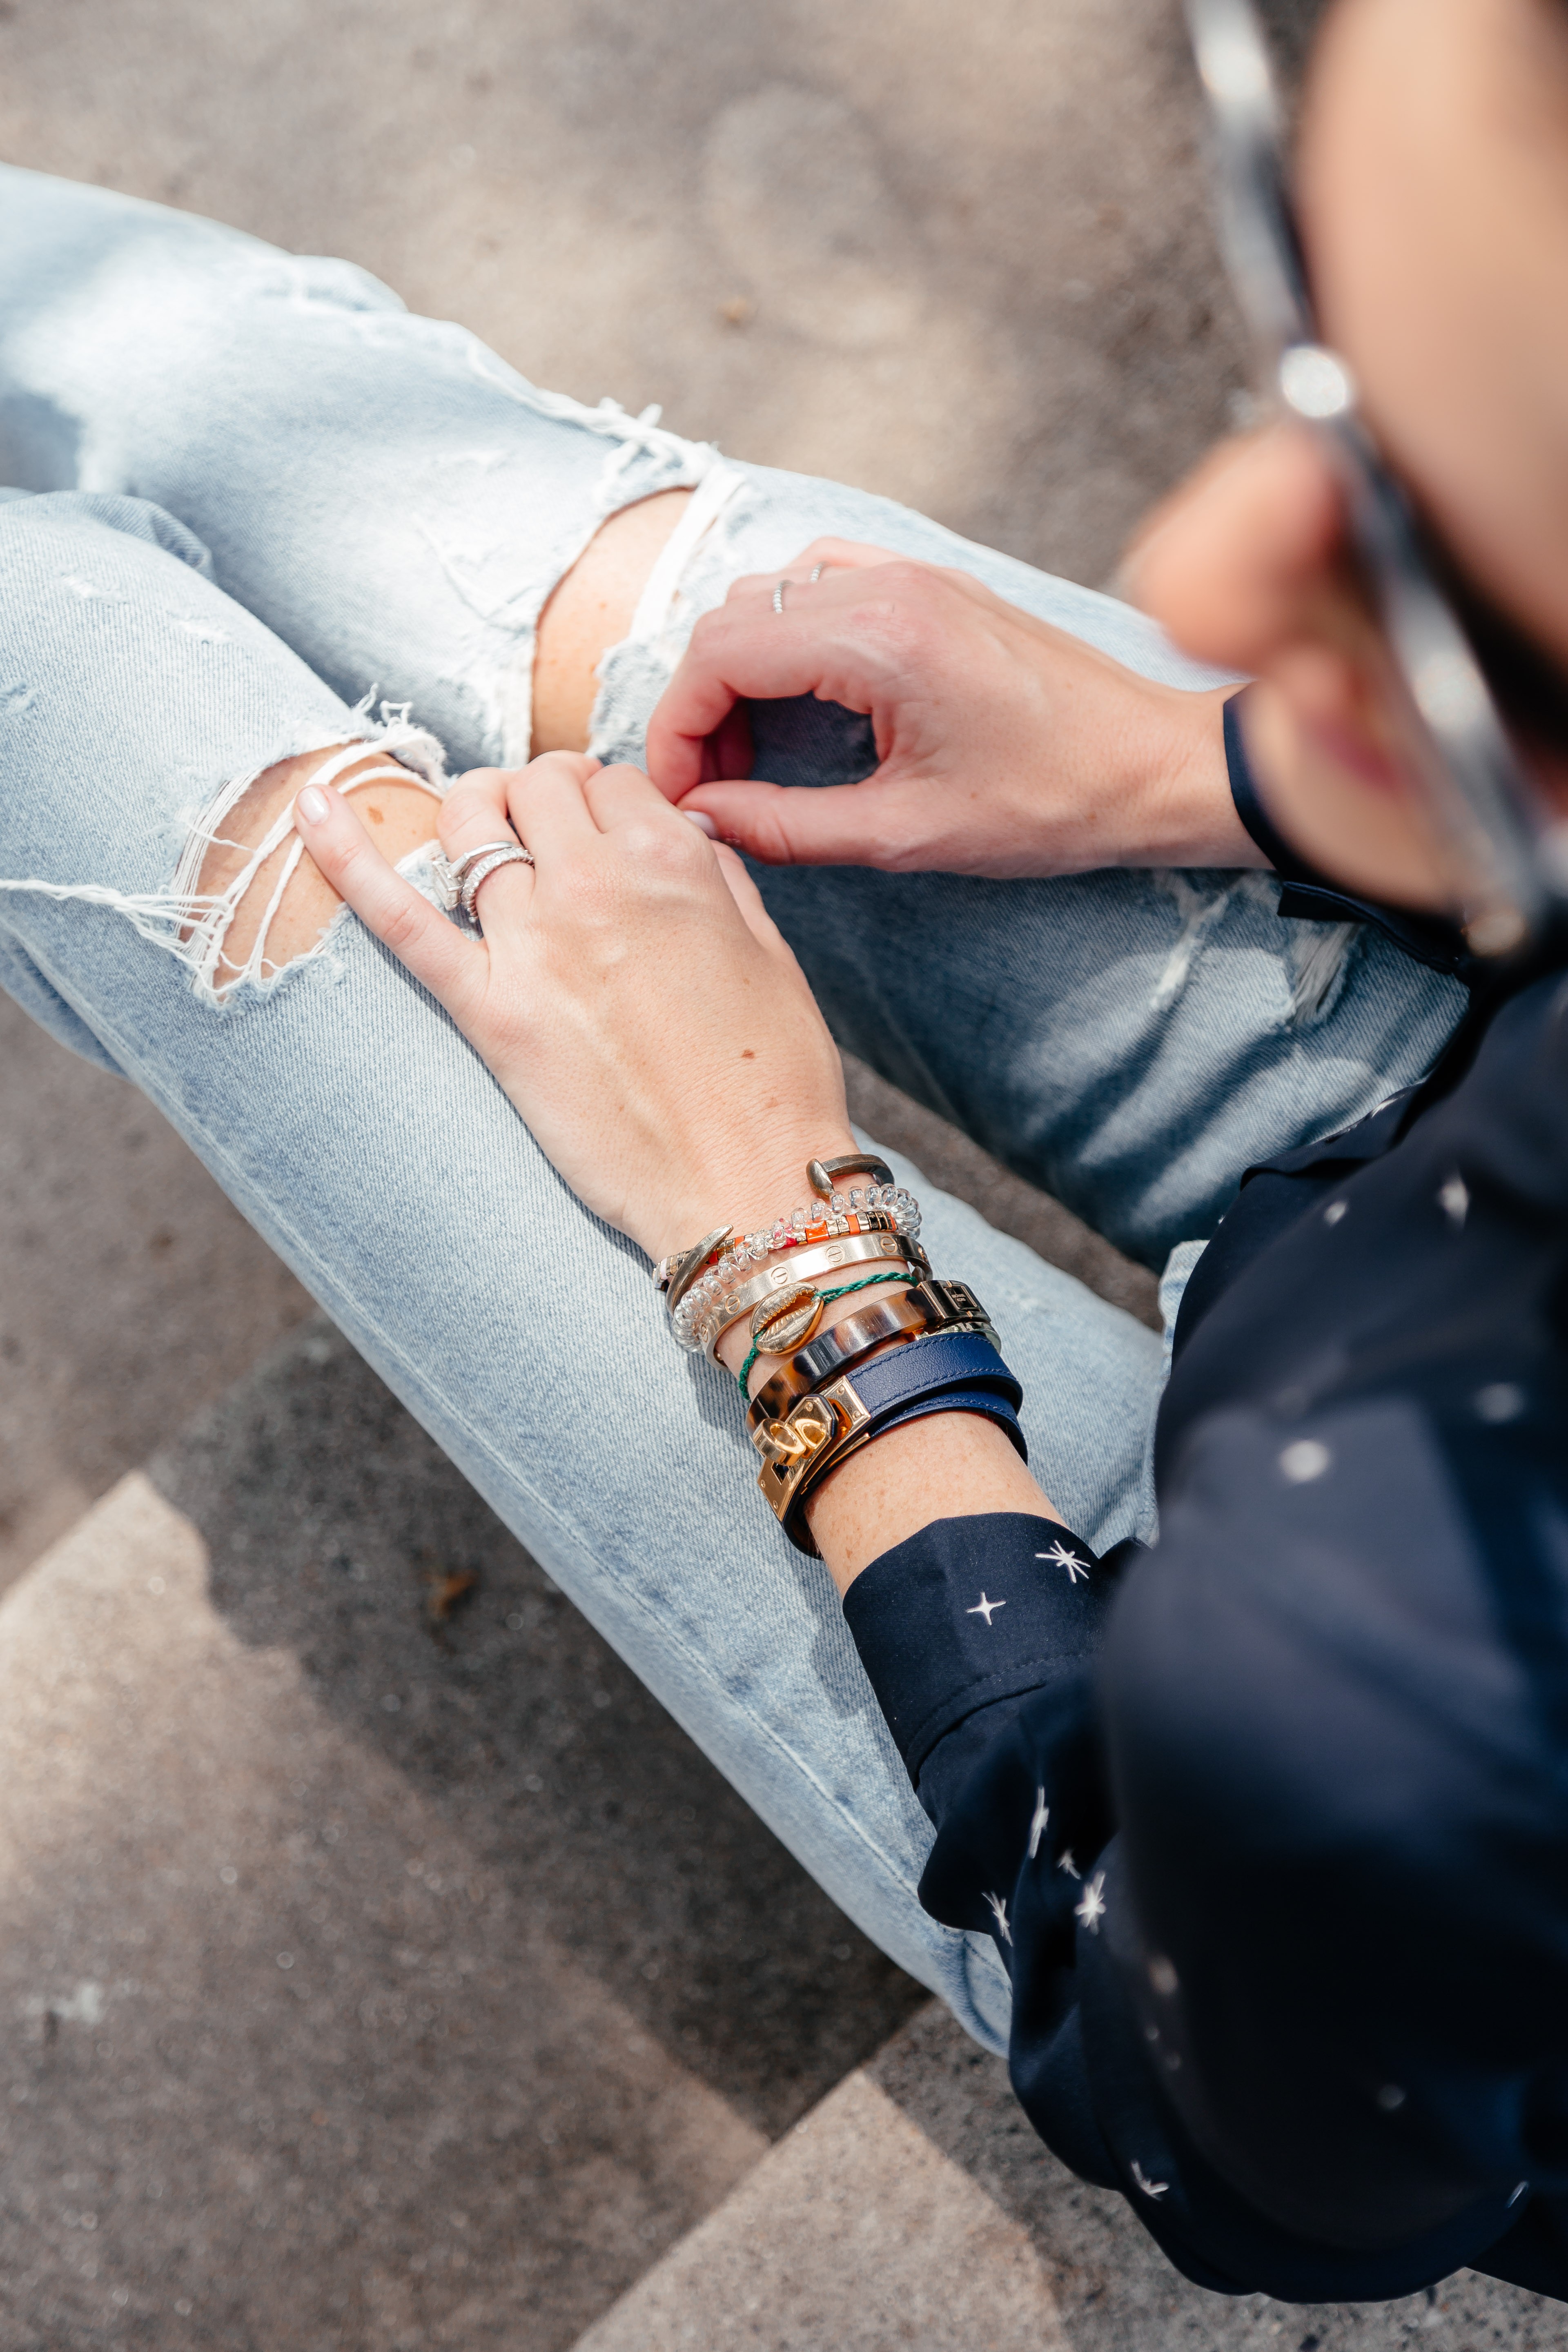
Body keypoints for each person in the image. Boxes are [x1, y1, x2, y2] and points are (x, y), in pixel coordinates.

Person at [1, 0, 1564, 2303]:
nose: (1203, 563)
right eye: (1305, 354)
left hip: (1181, 1740)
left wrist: (778, 1237)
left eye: (1404, 523)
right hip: (1468, 1101)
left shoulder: (1360, 1691)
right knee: (348, 462)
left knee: (68, 679)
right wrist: (1209, 759)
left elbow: (1240, 2130)